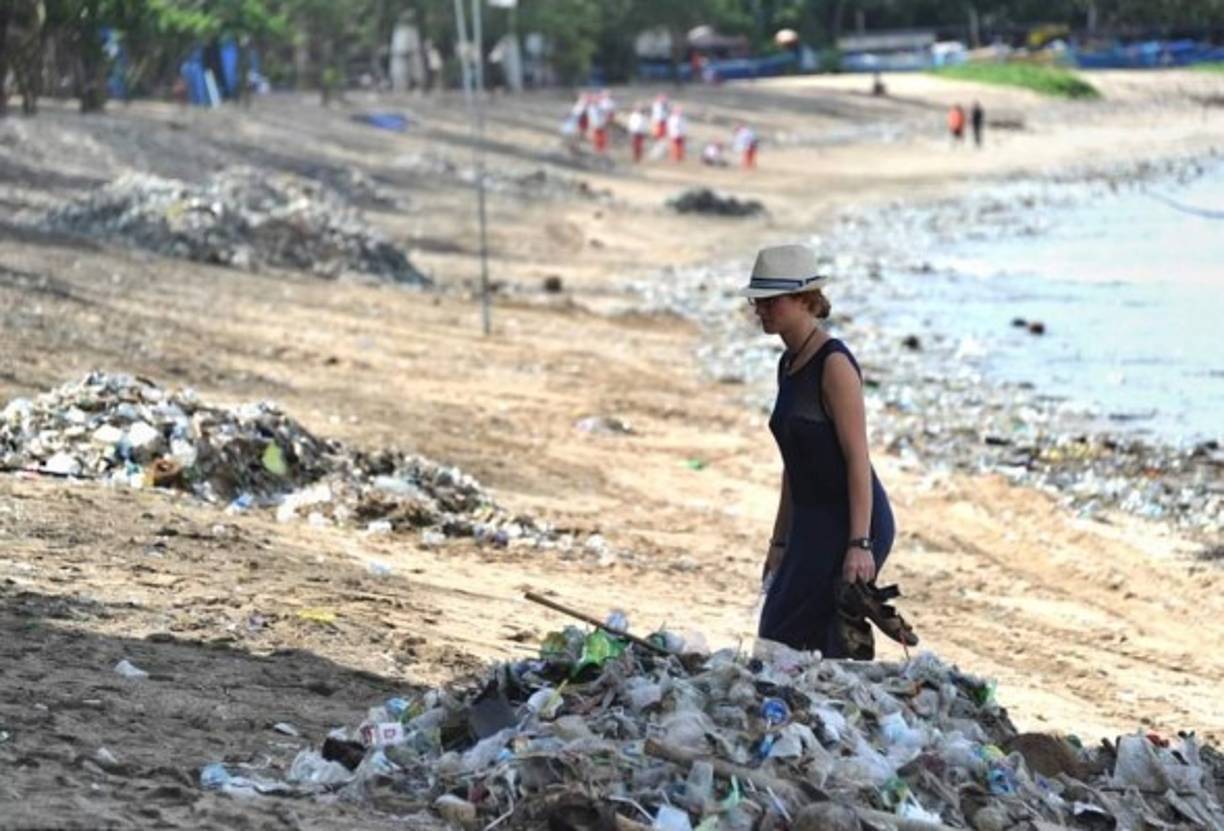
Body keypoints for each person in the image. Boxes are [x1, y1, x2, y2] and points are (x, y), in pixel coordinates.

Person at [742, 244, 896, 657]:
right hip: (808, 525)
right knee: (777, 635)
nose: (761, 309)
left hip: (851, 522)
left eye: (771, 300)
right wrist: (777, 544)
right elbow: (794, 465)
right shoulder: (789, 365)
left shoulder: (834, 365)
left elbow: (857, 460)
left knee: (815, 642)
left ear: (805, 300)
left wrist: (859, 544)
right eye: (759, 300)